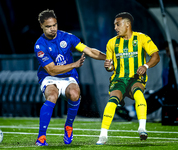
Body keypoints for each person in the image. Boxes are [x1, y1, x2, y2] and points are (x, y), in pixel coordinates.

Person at [34, 9, 106, 146]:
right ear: (41, 26)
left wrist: (109, 57)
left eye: (54, 25)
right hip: (49, 77)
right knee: (52, 96)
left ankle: (69, 126)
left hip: (68, 77)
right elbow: (52, 70)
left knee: (74, 93)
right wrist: (74, 64)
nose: (52, 29)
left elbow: (89, 51)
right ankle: (41, 137)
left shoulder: (67, 37)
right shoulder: (39, 45)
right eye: (48, 26)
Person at [96, 12, 160, 145]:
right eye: (114, 25)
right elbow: (110, 67)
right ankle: (103, 135)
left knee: (138, 93)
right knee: (112, 100)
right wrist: (108, 66)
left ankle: (142, 127)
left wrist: (145, 66)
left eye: (117, 24)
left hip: (135, 78)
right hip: (118, 79)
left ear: (127, 24)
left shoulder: (141, 38)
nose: (115, 28)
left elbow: (156, 56)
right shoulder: (112, 43)